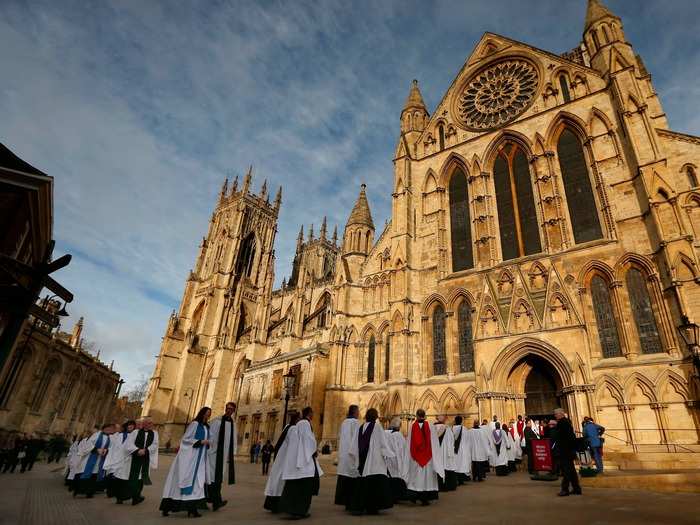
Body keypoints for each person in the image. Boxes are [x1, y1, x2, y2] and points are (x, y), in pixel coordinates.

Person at [160, 406, 211, 517]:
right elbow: (186, 439)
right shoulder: (195, 424)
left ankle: (192, 509)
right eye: (206, 413)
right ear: (202, 413)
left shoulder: (206, 427)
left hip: (200, 459)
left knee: (197, 483)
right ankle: (167, 507)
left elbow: (208, 440)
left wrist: (208, 443)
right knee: (180, 481)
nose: (207, 415)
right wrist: (200, 441)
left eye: (209, 414)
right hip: (189, 458)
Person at [346, 408, 394, 516]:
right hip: (374, 460)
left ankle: (360, 506)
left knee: (363, 482)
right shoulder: (377, 427)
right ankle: (372, 508)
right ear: (375, 417)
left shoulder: (361, 427)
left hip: (362, 460)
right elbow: (383, 443)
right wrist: (390, 453)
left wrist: (356, 457)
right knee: (375, 484)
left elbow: (354, 444)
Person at [278, 406, 324, 519]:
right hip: (304, 462)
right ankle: (299, 511)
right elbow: (308, 440)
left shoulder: (299, 424)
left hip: (298, 460)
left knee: (296, 487)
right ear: (309, 413)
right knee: (304, 488)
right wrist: (314, 450)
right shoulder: (305, 424)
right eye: (312, 413)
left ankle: (294, 510)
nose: (314, 415)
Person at [403, 408, 444, 506]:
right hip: (427, 457)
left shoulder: (412, 427)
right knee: (426, 479)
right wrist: (436, 455)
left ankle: (414, 496)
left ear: (416, 416)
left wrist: (408, 456)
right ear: (424, 416)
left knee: (415, 478)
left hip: (415, 458)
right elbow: (434, 442)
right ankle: (425, 499)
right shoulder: (430, 426)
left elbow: (409, 443)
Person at [263, 414, 299, 513]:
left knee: (276, 481)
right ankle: (279, 506)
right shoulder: (293, 429)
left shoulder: (287, 427)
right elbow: (293, 445)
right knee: (281, 483)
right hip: (285, 459)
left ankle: (271, 505)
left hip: (280, 458)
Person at [206, 401, 237, 511]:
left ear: (233, 411)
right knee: (213, 478)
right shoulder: (217, 421)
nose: (229, 410)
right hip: (214, 455)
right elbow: (211, 436)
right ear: (225, 409)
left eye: (231, 409)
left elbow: (234, 439)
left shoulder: (233, 423)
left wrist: (231, 454)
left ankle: (215, 501)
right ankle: (216, 501)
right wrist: (211, 450)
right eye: (227, 408)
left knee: (218, 479)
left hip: (223, 456)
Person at [122, 417, 159, 506]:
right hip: (135, 457)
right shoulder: (135, 432)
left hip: (145, 457)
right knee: (133, 476)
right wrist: (137, 450)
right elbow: (128, 444)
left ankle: (137, 496)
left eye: (152, 423)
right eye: (149, 423)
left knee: (142, 477)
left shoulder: (155, 433)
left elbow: (155, 444)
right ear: (144, 424)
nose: (151, 425)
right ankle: (132, 496)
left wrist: (145, 450)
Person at [74, 423, 114, 498]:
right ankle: (79, 490)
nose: (109, 430)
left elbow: (111, 448)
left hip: (100, 460)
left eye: (110, 429)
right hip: (91, 458)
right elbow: (88, 444)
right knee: (86, 474)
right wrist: (96, 449)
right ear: (104, 428)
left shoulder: (110, 438)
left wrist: (106, 450)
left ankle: (90, 492)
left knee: (94, 476)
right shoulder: (97, 434)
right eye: (107, 428)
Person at [103, 419, 136, 501]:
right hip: (118, 458)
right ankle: (112, 493)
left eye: (132, 425)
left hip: (127, 460)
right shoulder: (121, 435)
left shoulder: (135, 436)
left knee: (124, 479)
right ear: (126, 426)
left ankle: (121, 497)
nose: (130, 426)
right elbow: (115, 446)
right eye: (129, 425)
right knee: (115, 477)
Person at [335, 404, 360, 506]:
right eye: (358, 411)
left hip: (343, 452)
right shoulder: (355, 423)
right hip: (351, 453)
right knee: (351, 475)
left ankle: (340, 498)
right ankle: (349, 499)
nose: (359, 413)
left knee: (343, 474)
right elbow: (357, 438)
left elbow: (340, 436)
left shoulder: (344, 422)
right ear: (354, 412)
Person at [553, 408, 581, 496]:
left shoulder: (562, 423)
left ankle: (565, 489)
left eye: (556, 414)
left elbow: (563, 438)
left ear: (560, 414)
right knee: (571, 470)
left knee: (566, 471)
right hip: (569, 451)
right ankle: (576, 488)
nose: (555, 416)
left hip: (565, 451)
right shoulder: (566, 422)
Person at [384, 417, 407, 502]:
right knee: (396, 477)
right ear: (399, 426)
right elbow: (403, 449)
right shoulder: (398, 435)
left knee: (388, 476)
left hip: (386, 459)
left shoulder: (384, 432)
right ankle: (396, 496)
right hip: (395, 459)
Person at [434, 415, 457, 492]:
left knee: (438, 467)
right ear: (444, 420)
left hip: (436, 452)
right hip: (446, 453)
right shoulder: (448, 429)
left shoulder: (433, 428)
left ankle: (438, 486)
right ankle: (448, 486)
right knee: (446, 467)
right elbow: (452, 441)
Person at [451, 416, 471, 484]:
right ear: (461, 421)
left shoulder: (452, 429)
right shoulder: (465, 429)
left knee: (456, 464)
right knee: (461, 464)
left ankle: (455, 479)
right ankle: (461, 480)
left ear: (455, 421)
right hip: (463, 450)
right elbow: (467, 440)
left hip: (454, 450)